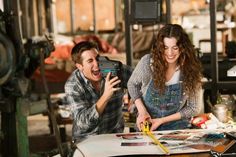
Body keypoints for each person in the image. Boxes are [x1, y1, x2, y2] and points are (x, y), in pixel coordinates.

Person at [127, 24, 203, 132]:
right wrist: (142, 111)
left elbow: (193, 108)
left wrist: (161, 120)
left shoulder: (190, 69)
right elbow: (132, 84)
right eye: (165, 48)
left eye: (175, 48)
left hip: (177, 126)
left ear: (182, 48)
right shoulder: (147, 63)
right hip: (147, 123)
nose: (170, 53)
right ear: (159, 47)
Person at [65, 41, 131, 142]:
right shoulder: (73, 85)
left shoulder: (115, 69)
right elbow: (83, 123)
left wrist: (136, 99)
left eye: (97, 58)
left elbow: (141, 81)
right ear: (79, 66)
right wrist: (106, 96)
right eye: (90, 61)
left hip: (114, 136)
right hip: (86, 140)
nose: (97, 64)